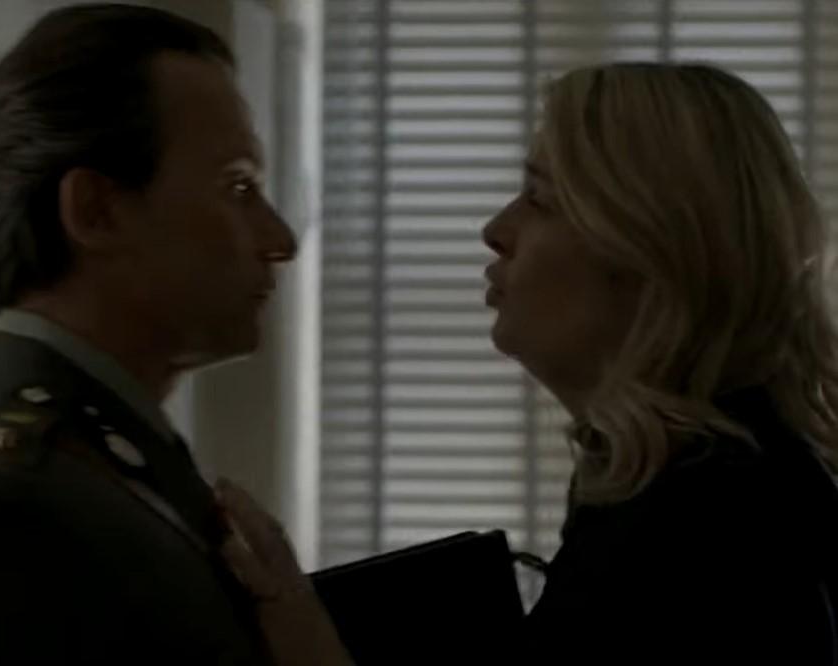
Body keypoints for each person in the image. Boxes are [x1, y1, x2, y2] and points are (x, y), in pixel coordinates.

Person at [215, 62, 838, 665]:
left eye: (539, 199)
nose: (496, 229)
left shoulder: (712, 526)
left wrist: (302, 633)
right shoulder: (674, 481)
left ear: (649, 252)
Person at [0, 4, 295, 665]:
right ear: (95, 211)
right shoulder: (2, 509)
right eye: (237, 187)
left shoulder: (112, 459)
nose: (281, 240)